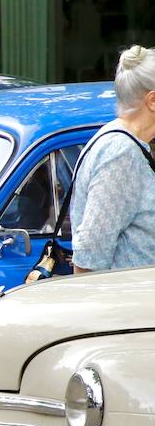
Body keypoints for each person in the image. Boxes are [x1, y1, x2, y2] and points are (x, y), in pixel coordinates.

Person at [71, 45, 155, 273]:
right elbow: (90, 255)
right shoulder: (121, 152)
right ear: (152, 101)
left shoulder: (124, 140)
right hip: (126, 304)